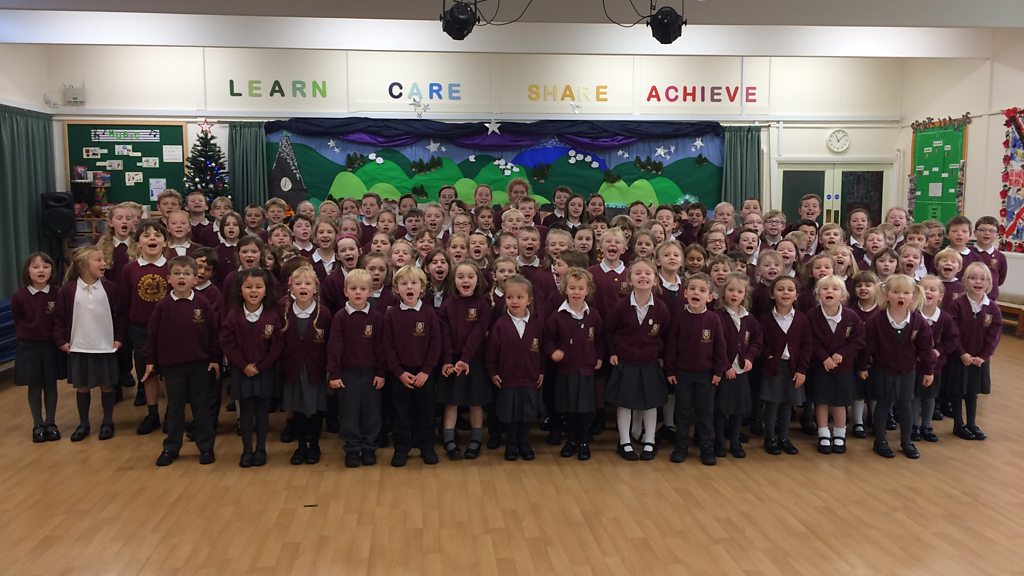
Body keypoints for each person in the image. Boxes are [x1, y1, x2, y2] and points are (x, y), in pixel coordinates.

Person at [142, 256, 219, 466]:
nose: (181, 277)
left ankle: (206, 447)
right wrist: (151, 360)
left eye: (186, 273)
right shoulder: (163, 306)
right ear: (169, 278)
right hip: (172, 366)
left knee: (201, 407)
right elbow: (153, 335)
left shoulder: (202, 303)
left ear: (195, 279)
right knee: (175, 408)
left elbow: (213, 333)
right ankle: (171, 447)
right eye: (177, 273)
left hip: (199, 365)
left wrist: (214, 358)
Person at [53, 247, 124, 442]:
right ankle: (83, 424)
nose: (104, 263)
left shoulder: (110, 289)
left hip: (104, 346)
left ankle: (107, 422)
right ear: (84, 265)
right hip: (79, 347)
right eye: (98, 260)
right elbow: (59, 318)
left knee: (107, 386)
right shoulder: (68, 290)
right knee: (82, 387)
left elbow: (120, 316)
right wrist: (61, 341)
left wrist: (118, 338)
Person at [605, 259, 671, 462]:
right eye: (638, 273)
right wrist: (612, 352)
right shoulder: (621, 307)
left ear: (655, 279)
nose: (643, 276)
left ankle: (649, 439)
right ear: (630, 279)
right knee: (624, 403)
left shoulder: (661, 308)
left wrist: (662, 357)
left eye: (648, 273)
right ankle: (625, 441)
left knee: (650, 403)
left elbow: (666, 336)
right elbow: (609, 331)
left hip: (650, 363)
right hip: (626, 362)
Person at [862, 274, 934, 459]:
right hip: (883, 369)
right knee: (883, 404)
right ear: (887, 294)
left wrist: (928, 370)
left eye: (906, 293)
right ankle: (880, 441)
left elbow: (926, 349)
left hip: (907, 371)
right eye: (895, 292)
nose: (901, 296)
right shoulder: (876, 320)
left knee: (906, 405)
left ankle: (906, 441)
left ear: (914, 296)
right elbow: (867, 347)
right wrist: (863, 367)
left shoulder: (919, 322)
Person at [220, 268, 284, 468]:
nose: (253, 291)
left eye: (258, 287)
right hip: (242, 372)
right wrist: (243, 365)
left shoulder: (272, 316)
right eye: (248, 287)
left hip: (264, 372)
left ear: (266, 290)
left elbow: (277, 345)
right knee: (246, 413)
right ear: (240, 290)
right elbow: (227, 342)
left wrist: (262, 366)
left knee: (262, 412)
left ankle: (261, 449)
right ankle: (247, 450)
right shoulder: (234, 316)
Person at [382, 265, 442, 467]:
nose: (409, 287)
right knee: (401, 413)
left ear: (422, 288)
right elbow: (387, 346)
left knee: (426, 412)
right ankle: (401, 448)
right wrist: (399, 372)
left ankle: (427, 447)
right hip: (400, 374)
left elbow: (435, 344)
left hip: (424, 374)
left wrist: (426, 371)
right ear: (396, 288)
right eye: (404, 283)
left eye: (414, 283)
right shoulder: (391, 314)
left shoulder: (429, 313)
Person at [665, 272, 728, 465]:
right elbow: (671, 346)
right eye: (692, 289)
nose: (696, 293)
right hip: (683, 373)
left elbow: (720, 346)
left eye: (702, 290)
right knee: (683, 411)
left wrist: (718, 371)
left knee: (705, 412)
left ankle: (706, 447)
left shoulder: (713, 319)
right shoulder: (679, 318)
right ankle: (681, 446)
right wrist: (670, 370)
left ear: (709, 297)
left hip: (706, 375)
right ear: (685, 293)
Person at [544, 267, 604, 461]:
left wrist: (599, 357)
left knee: (585, 408)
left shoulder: (593, 315)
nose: (576, 292)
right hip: (566, 370)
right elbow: (548, 339)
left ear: (588, 290)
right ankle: (570, 440)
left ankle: (583, 441)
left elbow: (600, 339)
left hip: (586, 369)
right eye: (572, 288)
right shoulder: (557, 316)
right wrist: (553, 352)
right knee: (568, 407)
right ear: (565, 289)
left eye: (580, 288)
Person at [328, 269, 386, 467]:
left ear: (370, 291)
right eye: (353, 289)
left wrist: (380, 372)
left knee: (372, 413)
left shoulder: (376, 317)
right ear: (346, 292)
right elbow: (334, 347)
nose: (358, 292)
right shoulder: (340, 317)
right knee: (349, 413)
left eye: (363, 289)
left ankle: (369, 448)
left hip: (371, 374)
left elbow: (380, 348)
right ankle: (352, 449)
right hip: (347, 374)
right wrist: (334, 373)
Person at [486, 274, 545, 461]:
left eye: (520, 297)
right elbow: (491, 352)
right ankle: (511, 443)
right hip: (507, 378)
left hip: (529, 377)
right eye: (510, 297)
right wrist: (492, 372)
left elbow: (542, 351)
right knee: (509, 412)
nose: (514, 301)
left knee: (527, 412)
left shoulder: (536, 325)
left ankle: (524, 442)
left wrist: (541, 371)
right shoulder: (500, 325)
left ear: (529, 300)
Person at [437, 261, 492, 460]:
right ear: (453, 280)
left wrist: (466, 358)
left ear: (478, 280)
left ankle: (476, 439)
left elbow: (478, 334)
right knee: (451, 401)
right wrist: (447, 360)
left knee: (475, 401)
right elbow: (444, 335)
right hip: (452, 361)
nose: (465, 280)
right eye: (460, 277)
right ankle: (449, 439)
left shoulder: (483, 305)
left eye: (470, 276)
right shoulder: (447, 305)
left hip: (474, 360)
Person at [807, 275, 864, 455]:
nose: (829, 291)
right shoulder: (812, 315)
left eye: (834, 289)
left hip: (843, 368)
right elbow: (810, 340)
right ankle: (823, 433)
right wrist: (824, 357)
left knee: (840, 403)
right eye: (825, 289)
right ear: (818, 295)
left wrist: (842, 354)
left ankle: (840, 434)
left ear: (843, 296)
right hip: (820, 367)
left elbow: (858, 340)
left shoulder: (851, 317)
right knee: (821, 401)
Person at [120, 221, 170, 425]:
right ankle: (152, 413)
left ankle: (171, 413)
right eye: (146, 235)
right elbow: (124, 303)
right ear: (138, 243)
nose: (152, 239)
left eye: (157, 235)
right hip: (140, 329)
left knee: (168, 373)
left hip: (168, 329)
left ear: (165, 242)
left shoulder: (172, 266)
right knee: (147, 373)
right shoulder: (129, 269)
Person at [758, 276, 812, 456]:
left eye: (790, 289)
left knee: (787, 403)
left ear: (796, 295)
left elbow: (807, 346)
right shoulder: (765, 319)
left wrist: (802, 369)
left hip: (793, 367)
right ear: (772, 294)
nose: (785, 293)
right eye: (780, 289)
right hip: (773, 368)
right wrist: (768, 356)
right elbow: (760, 342)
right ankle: (770, 438)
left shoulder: (802, 319)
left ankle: (784, 437)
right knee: (772, 403)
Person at [948, 262, 1002, 441]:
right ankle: (958, 424)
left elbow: (994, 335)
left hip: (979, 359)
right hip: (960, 357)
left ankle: (971, 423)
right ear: (965, 281)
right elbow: (952, 332)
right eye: (972, 278)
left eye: (982, 279)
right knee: (957, 391)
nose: (978, 282)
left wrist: (984, 356)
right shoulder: (957, 304)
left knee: (973, 391)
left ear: (988, 283)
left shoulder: (992, 308)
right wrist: (962, 353)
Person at [12, 252, 63, 442]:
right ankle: (38, 424)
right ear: (28, 271)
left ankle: (51, 423)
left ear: (51, 270)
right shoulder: (19, 296)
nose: (41, 270)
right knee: (34, 385)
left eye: (45, 266)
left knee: (50, 384)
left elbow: (60, 319)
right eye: (35, 267)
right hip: (29, 347)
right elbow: (18, 318)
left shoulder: (57, 293)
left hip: (50, 346)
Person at [714, 272, 762, 459]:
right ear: (723, 292)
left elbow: (757, 340)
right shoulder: (717, 316)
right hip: (724, 372)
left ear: (745, 295)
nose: (735, 294)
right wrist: (725, 366)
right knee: (721, 410)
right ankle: (719, 442)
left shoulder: (749, 318)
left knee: (738, 409)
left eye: (739, 291)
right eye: (731, 290)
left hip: (741, 372)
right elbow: (715, 346)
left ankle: (735, 441)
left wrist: (749, 357)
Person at [913, 275, 958, 443]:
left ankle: (926, 425)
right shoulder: (912, 315)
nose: (928, 292)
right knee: (915, 396)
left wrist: (939, 351)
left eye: (933, 289)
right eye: (924, 289)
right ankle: (914, 426)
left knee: (929, 396)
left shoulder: (945, 318)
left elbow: (952, 339)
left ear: (941, 296)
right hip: (914, 365)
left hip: (934, 366)